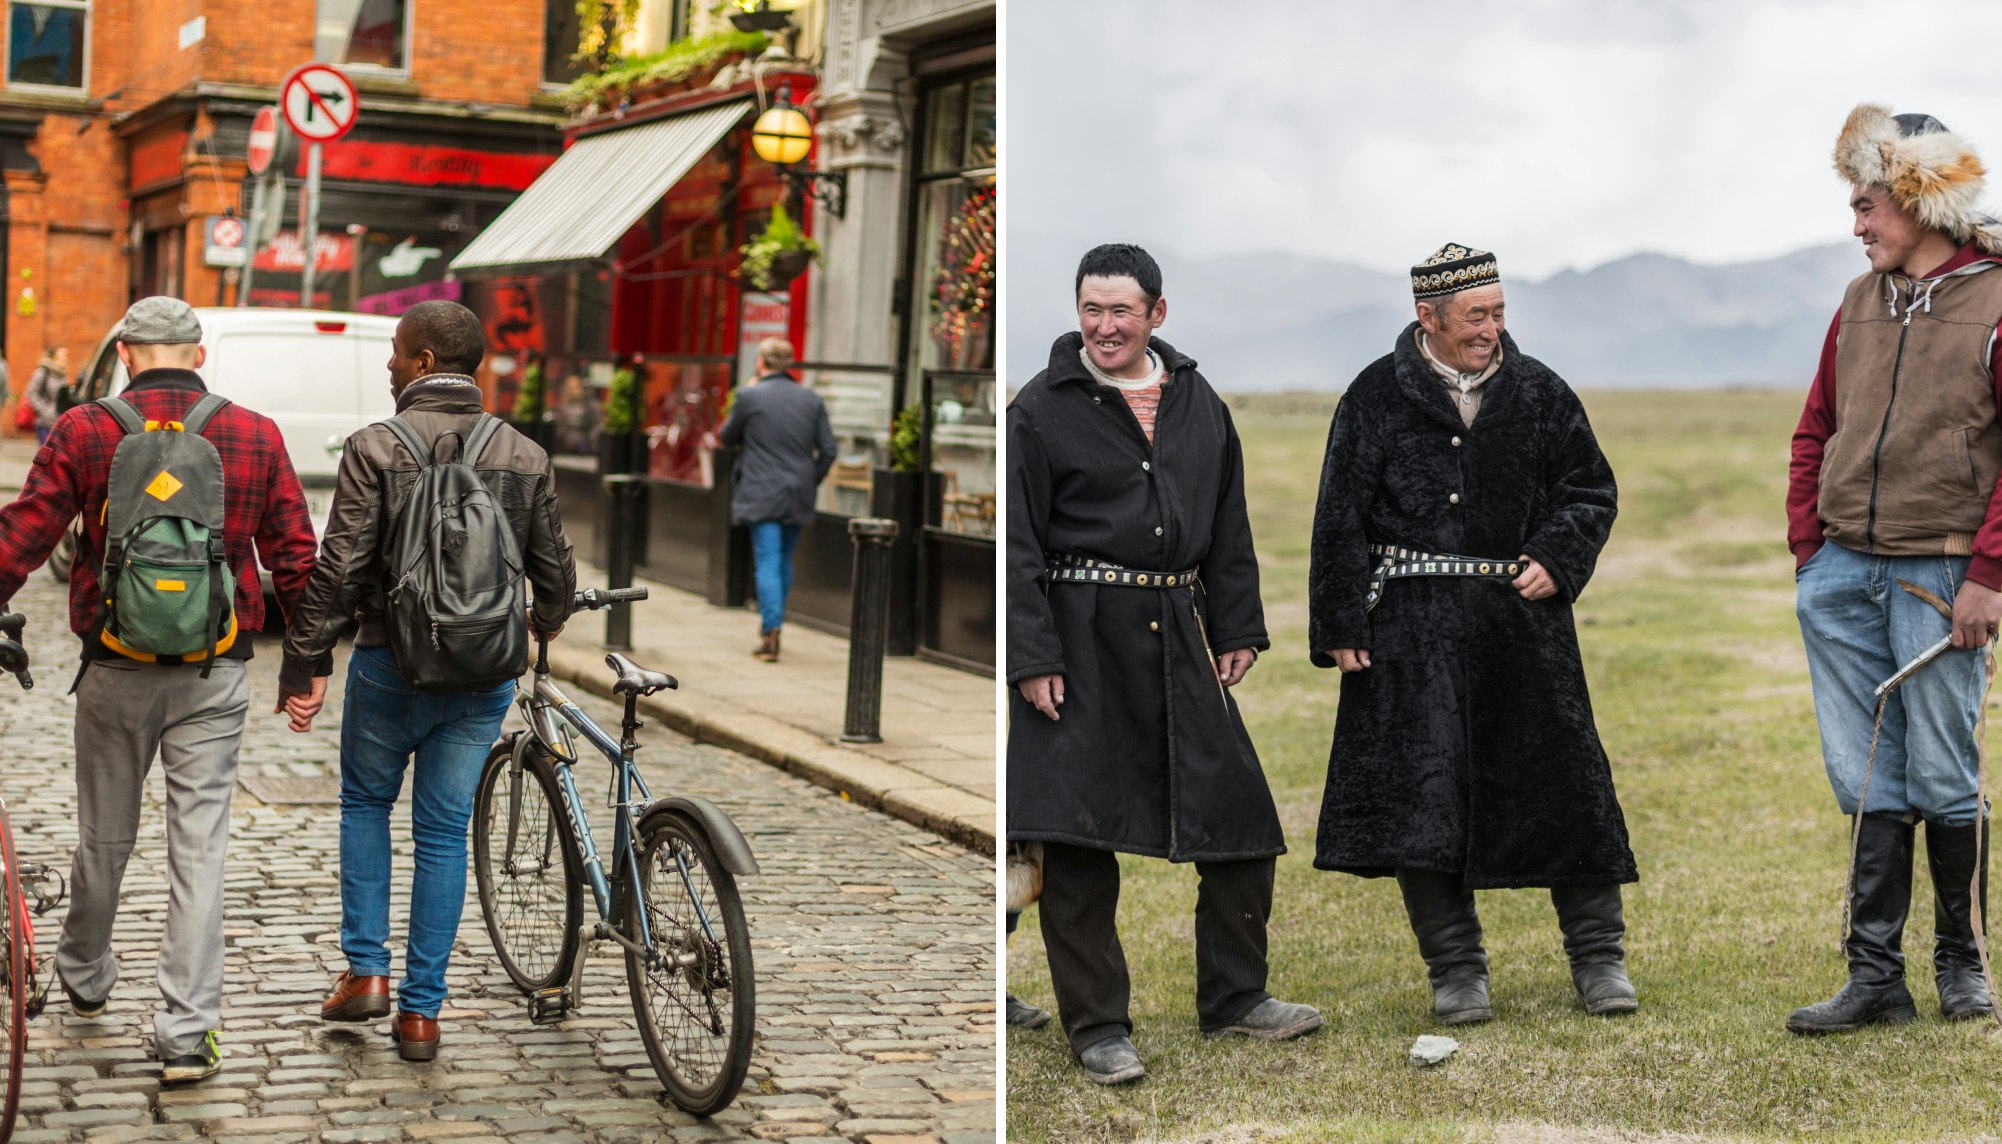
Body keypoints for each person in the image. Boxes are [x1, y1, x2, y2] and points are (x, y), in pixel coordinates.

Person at [1007, 243, 1322, 1087]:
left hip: (1178, 630)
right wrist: (1031, 654)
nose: (1105, 327)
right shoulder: (1039, 409)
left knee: (1243, 822)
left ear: (1157, 313)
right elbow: (1016, 548)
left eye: (1122, 310)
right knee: (1077, 840)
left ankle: (1235, 997)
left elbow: (1229, 522)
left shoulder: (1197, 402)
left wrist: (1237, 627)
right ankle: (1099, 1025)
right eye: (1091, 309)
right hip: (1079, 640)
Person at [1309, 243, 1637, 1026]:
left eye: (1497, 314)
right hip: (1408, 634)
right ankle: (1457, 972)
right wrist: (1341, 622)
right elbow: (1338, 517)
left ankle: (1599, 962)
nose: (1490, 330)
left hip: (1521, 626)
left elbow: (1591, 489)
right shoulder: (1373, 396)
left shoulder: (1541, 392)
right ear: (1428, 319)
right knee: (1421, 802)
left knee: (1568, 789)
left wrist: (1558, 556)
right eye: (1474, 318)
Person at [0, 297, 320, 1083]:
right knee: (199, 849)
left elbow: (25, 532)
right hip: (215, 670)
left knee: (104, 837)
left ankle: (84, 974)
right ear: (198, 356)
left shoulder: (85, 428)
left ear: (128, 356)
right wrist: (304, 666)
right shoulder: (253, 432)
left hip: (112, 666)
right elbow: (296, 557)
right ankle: (186, 1032)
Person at [278, 300, 578, 1061]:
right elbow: (557, 576)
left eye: (394, 351)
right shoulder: (523, 453)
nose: (387, 363)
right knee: (443, 833)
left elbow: (339, 567)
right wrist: (539, 621)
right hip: (482, 676)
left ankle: (366, 973)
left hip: (390, 662)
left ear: (420, 362)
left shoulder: (376, 445)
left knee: (366, 805)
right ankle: (421, 1014)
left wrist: (305, 662)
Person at [1786, 105, 2002, 1035]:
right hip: (1844, 574)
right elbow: (1815, 427)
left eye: (1870, 202)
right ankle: (1876, 977)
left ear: (1919, 199)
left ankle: (1963, 966)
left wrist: (1990, 574)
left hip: (1942, 575)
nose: (1859, 222)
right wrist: (1810, 553)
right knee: (1867, 777)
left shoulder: (1996, 301)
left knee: (1945, 772)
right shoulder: (1858, 300)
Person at [716, 337, 835, 663]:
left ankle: (771, 631)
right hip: (798, 490)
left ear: (761, 362)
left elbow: (726, 439)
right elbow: (829, 449)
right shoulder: (811, 399)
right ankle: (774, 623)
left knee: (767, 559)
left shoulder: (749, 395)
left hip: (761, 489)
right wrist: (811, 479)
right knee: (783, 559)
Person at [24, 345, 68, 445]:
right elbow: (31, 393)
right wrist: (45, 411)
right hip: (44, 422)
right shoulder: (43, 372)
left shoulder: (63, 373)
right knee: (46, 454)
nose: (66, 358)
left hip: (59, 421)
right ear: (54, 357)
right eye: (62, 355)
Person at [552, 373, 601, 454]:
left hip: (585, 446)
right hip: (565, 447)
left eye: (576, 387)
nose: (573, 391)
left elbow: (597, 425)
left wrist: (590, 440)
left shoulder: (590, 405)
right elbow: (560, 426)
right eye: (570, 387)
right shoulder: (562, 405)